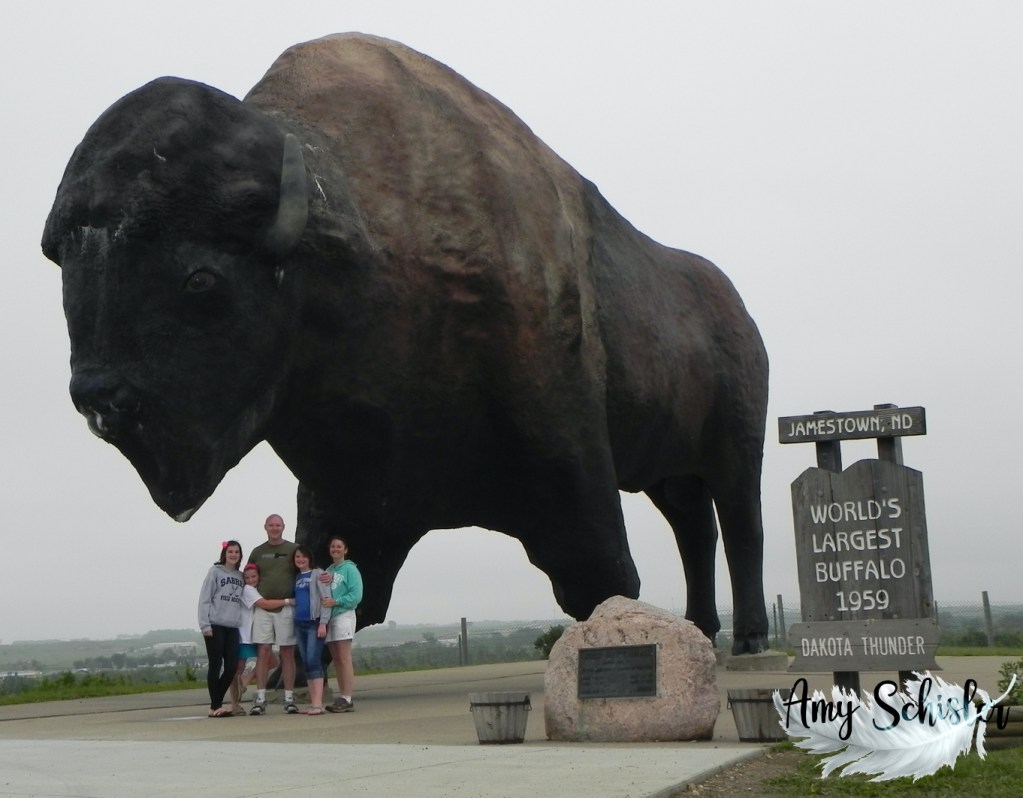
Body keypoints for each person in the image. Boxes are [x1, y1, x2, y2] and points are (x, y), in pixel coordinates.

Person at [246, 514, 299, 715]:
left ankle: (289, 698)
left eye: (278, 525)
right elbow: (248, 575)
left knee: (287, 653)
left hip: (286, 608)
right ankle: (260, 698)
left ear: (283, 527)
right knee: (263, 652)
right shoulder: (258, 552)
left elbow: (305, 568)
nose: (275, 528)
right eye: (271, 525)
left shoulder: (293, 549)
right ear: (265, 527)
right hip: (263, 608)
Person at [229, 562, 286, 714]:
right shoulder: (248, 590)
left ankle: (245, 681)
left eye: (253, 577)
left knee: (273, 661)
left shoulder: (254, 589)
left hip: (255, 633)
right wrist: (287, 601)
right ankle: (234, 702)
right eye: (247, 577)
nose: (251, 580)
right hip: (245, 634)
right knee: (238, 668)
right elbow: (264, 604)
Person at [197, 540, 245, 717]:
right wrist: (204, 624)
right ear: (224, 554)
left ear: (240, 556)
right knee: (216, 665)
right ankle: (216, 706)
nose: (233, 555)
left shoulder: (241, 577)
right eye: (230, 551)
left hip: (232, 626)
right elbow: (205, 598)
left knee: (232, 667)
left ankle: (214, 704)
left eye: (237, 552)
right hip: (215, 624)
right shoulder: (215, 572)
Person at [322, 535, 363, 713]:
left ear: (345, 550)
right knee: (337, 659)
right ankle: (342, 696)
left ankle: (347, 697)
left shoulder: (350, 570)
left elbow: (356, 595)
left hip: (343, 615)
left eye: (339, 547)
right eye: (333, 547)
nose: (336, 549)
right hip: (329, 618)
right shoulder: (328, 570)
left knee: (344, 658)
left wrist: (336, 601)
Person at [291, 544, 332, 714]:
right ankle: (313, 702)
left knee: (314, 661)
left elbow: (326, 599)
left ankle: (318, 704)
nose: (300, 560)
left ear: (310, 558)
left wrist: (323, 622)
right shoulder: (296, 577)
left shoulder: (318, 574)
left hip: (314, 623)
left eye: (303, 556)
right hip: (299, 624)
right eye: (297, 557)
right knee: (306, 663)